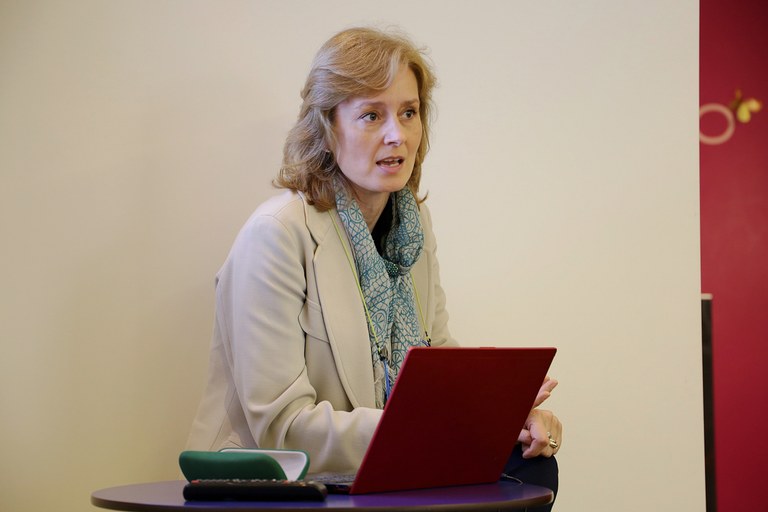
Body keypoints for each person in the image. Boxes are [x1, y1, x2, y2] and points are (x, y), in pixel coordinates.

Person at [186, 26, 562, 508]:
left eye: (409, 112)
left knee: (532, 466)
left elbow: (441, 364)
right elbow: (283, 428)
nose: (397, 135)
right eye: (371, 115)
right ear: (327, 129)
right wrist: (433, 426)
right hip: (277, 482)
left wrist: (507, 417)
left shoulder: (412, 225)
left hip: (376, 471)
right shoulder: (276, 234)